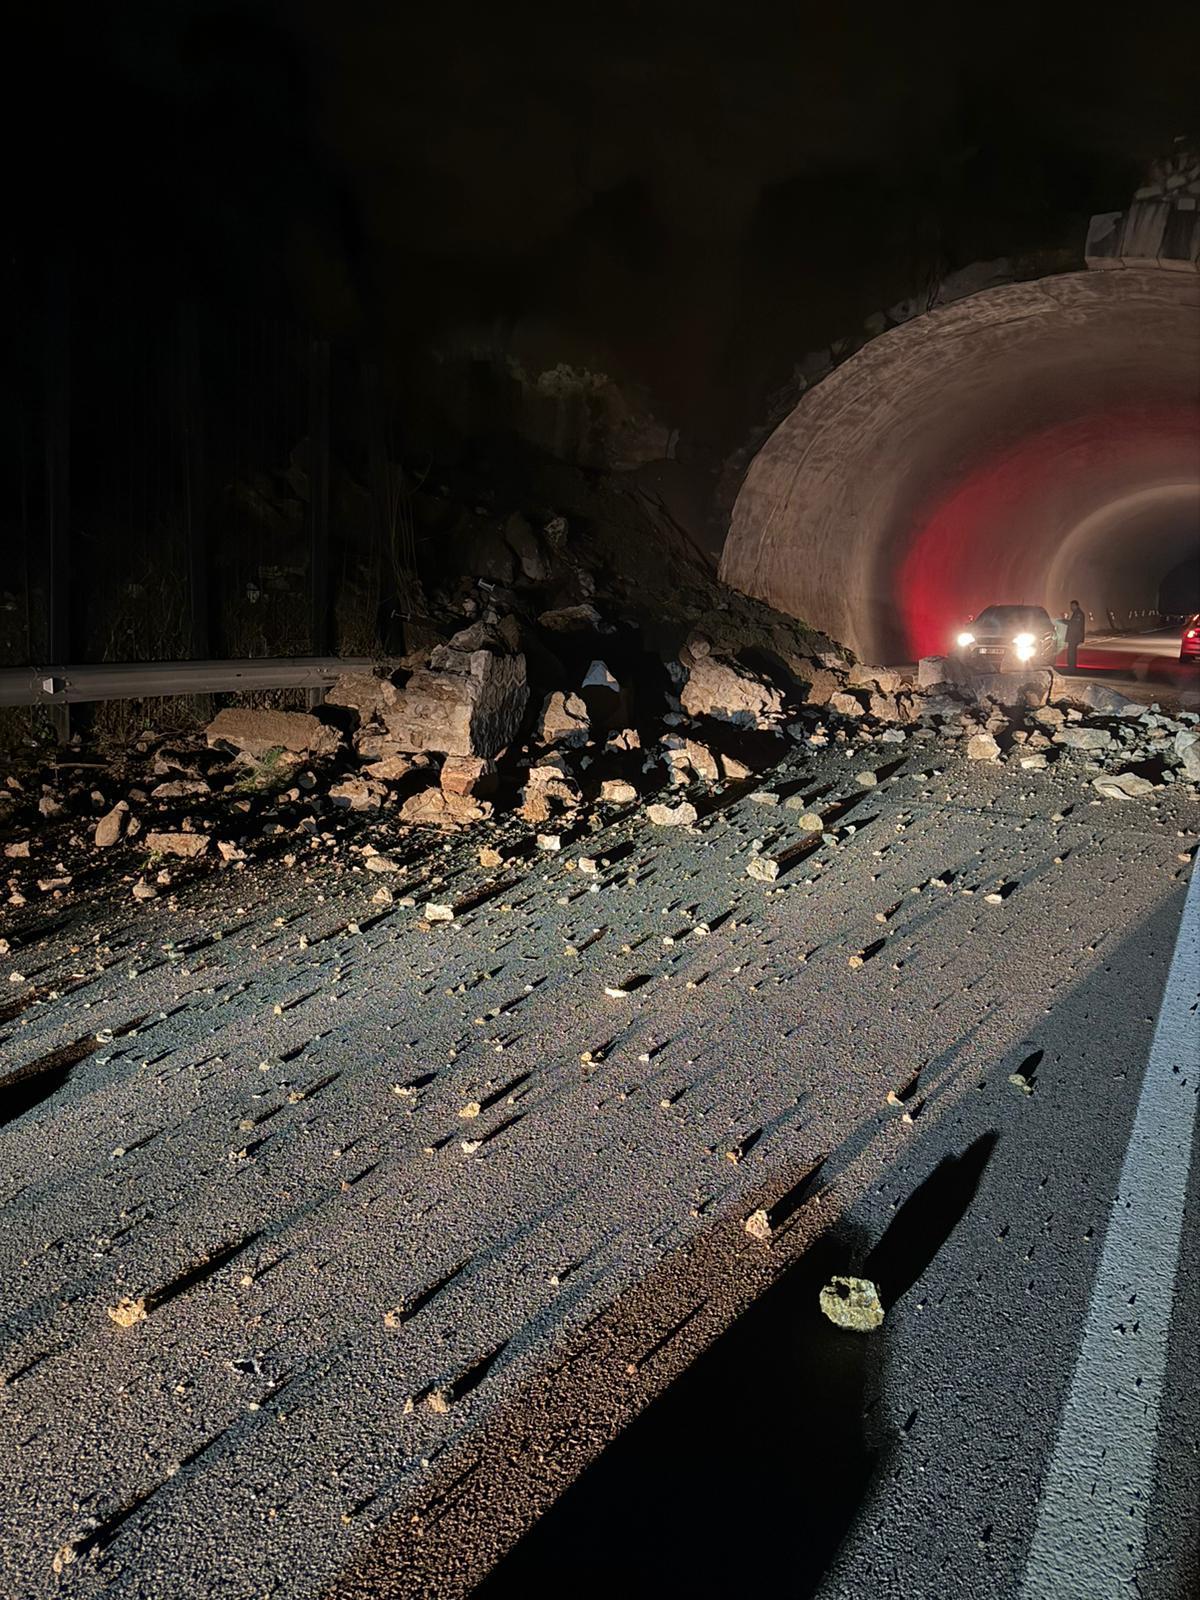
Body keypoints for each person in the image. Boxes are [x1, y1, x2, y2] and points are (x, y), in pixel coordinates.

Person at [1065, 600, 1086, 673]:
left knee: (1071, 653)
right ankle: (1071, 667)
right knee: (1071, 652)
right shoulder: (1076, 613)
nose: (1071, 607)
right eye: (1071, 606)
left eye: (1072, 606)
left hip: (1074, 637)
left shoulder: (1079, 614)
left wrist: (1064, 621)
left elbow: (1073, 624)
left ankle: (1071, 668)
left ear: (1077, 606)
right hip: (1073, 637)